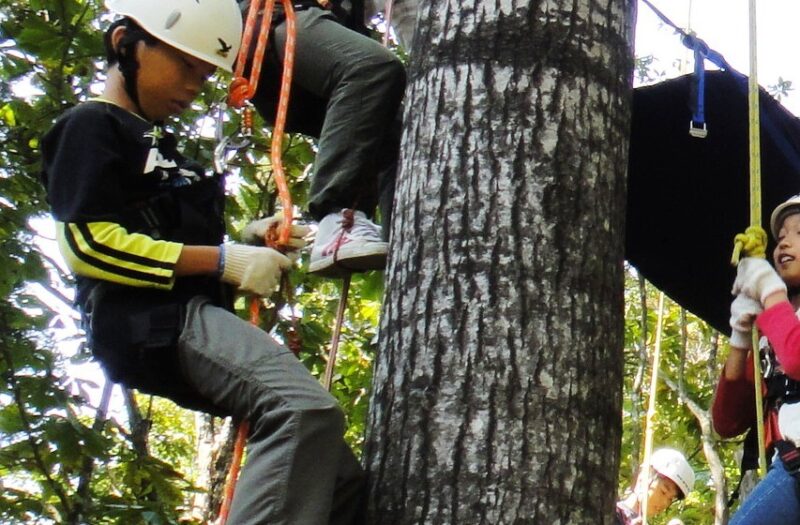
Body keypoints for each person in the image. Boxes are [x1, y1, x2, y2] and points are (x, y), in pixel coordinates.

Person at [39, 0, 365, 523]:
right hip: (152, 321)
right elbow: (89, 243)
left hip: (188, 317)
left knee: (337, 479)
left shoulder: (169, 152)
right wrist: (223, 260)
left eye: (205, 73)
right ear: (127, 44)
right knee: (301, 411)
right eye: (185, 65)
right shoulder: (91, 125)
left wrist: (247, 241)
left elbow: (167, 237)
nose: (194, 86)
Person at [236, 0, 406, 277]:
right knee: (371, 68)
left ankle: (401, 244)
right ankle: (339, 216)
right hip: (280, 21)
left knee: (398, 131)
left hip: (310, 61)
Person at [712, 194, 800, 524]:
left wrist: (768, 290)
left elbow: (796, 358)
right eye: (781, 237)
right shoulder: (777, 330)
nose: (784, 244)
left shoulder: (784, 328)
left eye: (799, 233)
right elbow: (728, 421)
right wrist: (740, 338)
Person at [615, 448, 695, 525]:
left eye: (670, 499)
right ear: (644, 478)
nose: (665, 503)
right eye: (663, 492)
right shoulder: (612, 513)